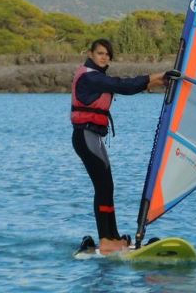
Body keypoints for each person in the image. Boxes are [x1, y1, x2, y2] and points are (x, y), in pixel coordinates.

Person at [71, 38, 167, 254]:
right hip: (86, 136)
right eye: (100, 53)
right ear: (91, 54)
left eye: (107, 54)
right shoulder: (90, 76)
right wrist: (157, 77)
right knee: (104, 187)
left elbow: (125, 86)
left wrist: (157, 82)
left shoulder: (96, 76)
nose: (104, 57)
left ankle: (112, 237)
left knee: (107, 187)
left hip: (93, 137)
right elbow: (123, 86)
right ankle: (106, 240)